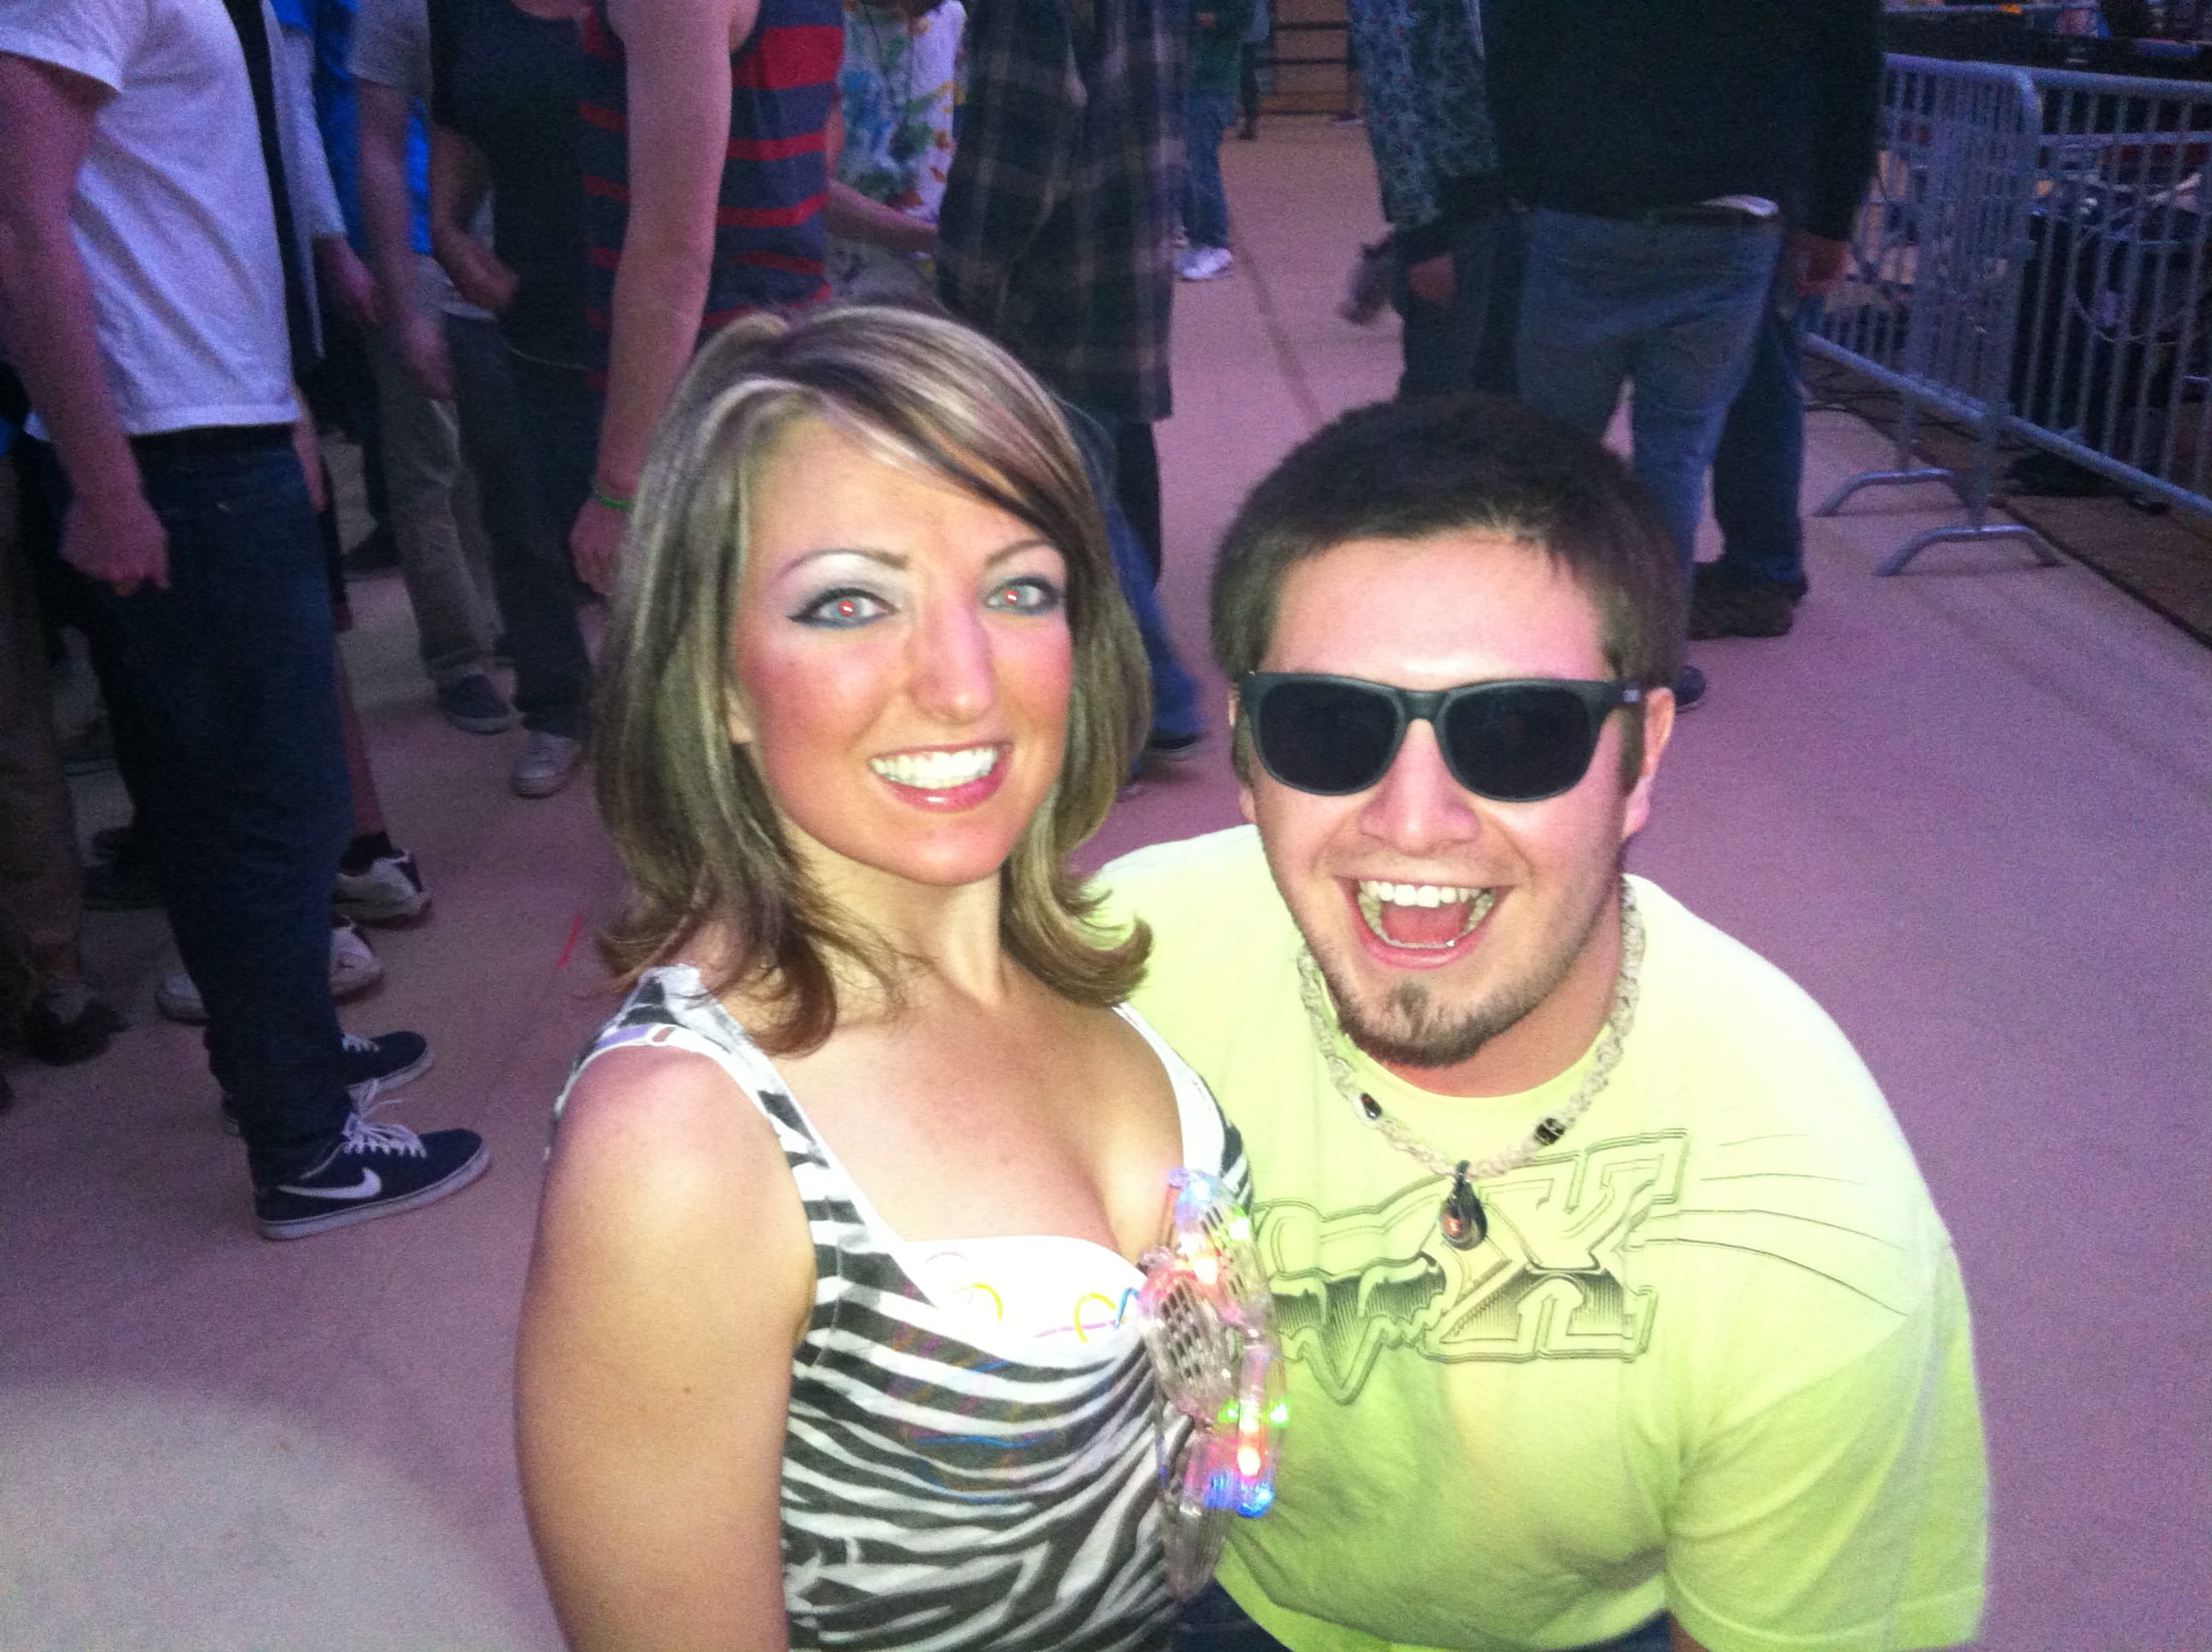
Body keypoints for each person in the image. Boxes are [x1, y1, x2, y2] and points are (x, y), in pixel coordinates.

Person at [1103, 395, 1988, 1652]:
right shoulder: (1122, 966)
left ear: (1641, 754)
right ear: (1247, 748)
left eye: (1517, 732)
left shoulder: (1812, 1253)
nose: (1414, 821)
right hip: (1197, 1575)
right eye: (1330, 725)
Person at [515, 304, 1250, 1649]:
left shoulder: (1079, 955)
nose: (962, 685)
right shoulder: (681, 1147)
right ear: (719, 679)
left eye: (1018, 590)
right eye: (850, 603)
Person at [0, 0, 486, 1237]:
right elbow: (19, 221)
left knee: (258, 804)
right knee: (264, 813)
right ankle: (305, 1144)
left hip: (218, 422)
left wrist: (281, 407)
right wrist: (106, 484)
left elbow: (198, 194)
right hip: (168, 445)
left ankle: (284, 1062)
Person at [1490, 0, 1883, 709]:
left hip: (1588, 201)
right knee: (1676, 450)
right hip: (1732, 215)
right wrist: (1831, 218)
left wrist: (1526, 179)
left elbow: (1516, 45)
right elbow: (1851, 72)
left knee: (1554, 449)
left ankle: (1543, 651)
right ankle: (1651, 662)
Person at [568, 0, 842, 598]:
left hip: (707, 396)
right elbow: (814, 157)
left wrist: (620, 489)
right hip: (788, 359)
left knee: (697, 642)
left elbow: (672, 251)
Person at [427, 0, 602, 798]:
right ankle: (557, 709)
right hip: (523, 314)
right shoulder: (461, 11)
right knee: (525, 522)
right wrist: (448, 232)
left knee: (668, 540)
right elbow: (457, 126)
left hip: (657, 309)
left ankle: (681, 732)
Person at [1346, 0, 1519, 399]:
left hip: (1522, 205)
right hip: (1453, 212)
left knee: (1506, 390)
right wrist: (1425, 237)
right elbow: (1393, 108)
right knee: (1440, 394)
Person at [823, 0, 963, 300]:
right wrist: (938, 241)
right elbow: (804, 187)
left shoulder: (952, 18)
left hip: (928, 297)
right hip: (832, 295)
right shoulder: (814, 18)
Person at [1178, 0, 1254, 282]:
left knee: (1202, 166)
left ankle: (1217, 246)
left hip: (1211, 82)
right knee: (1184, 167)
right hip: (1188, 79)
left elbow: (1241, 17)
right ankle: (1199, 241)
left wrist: (1193, 19)